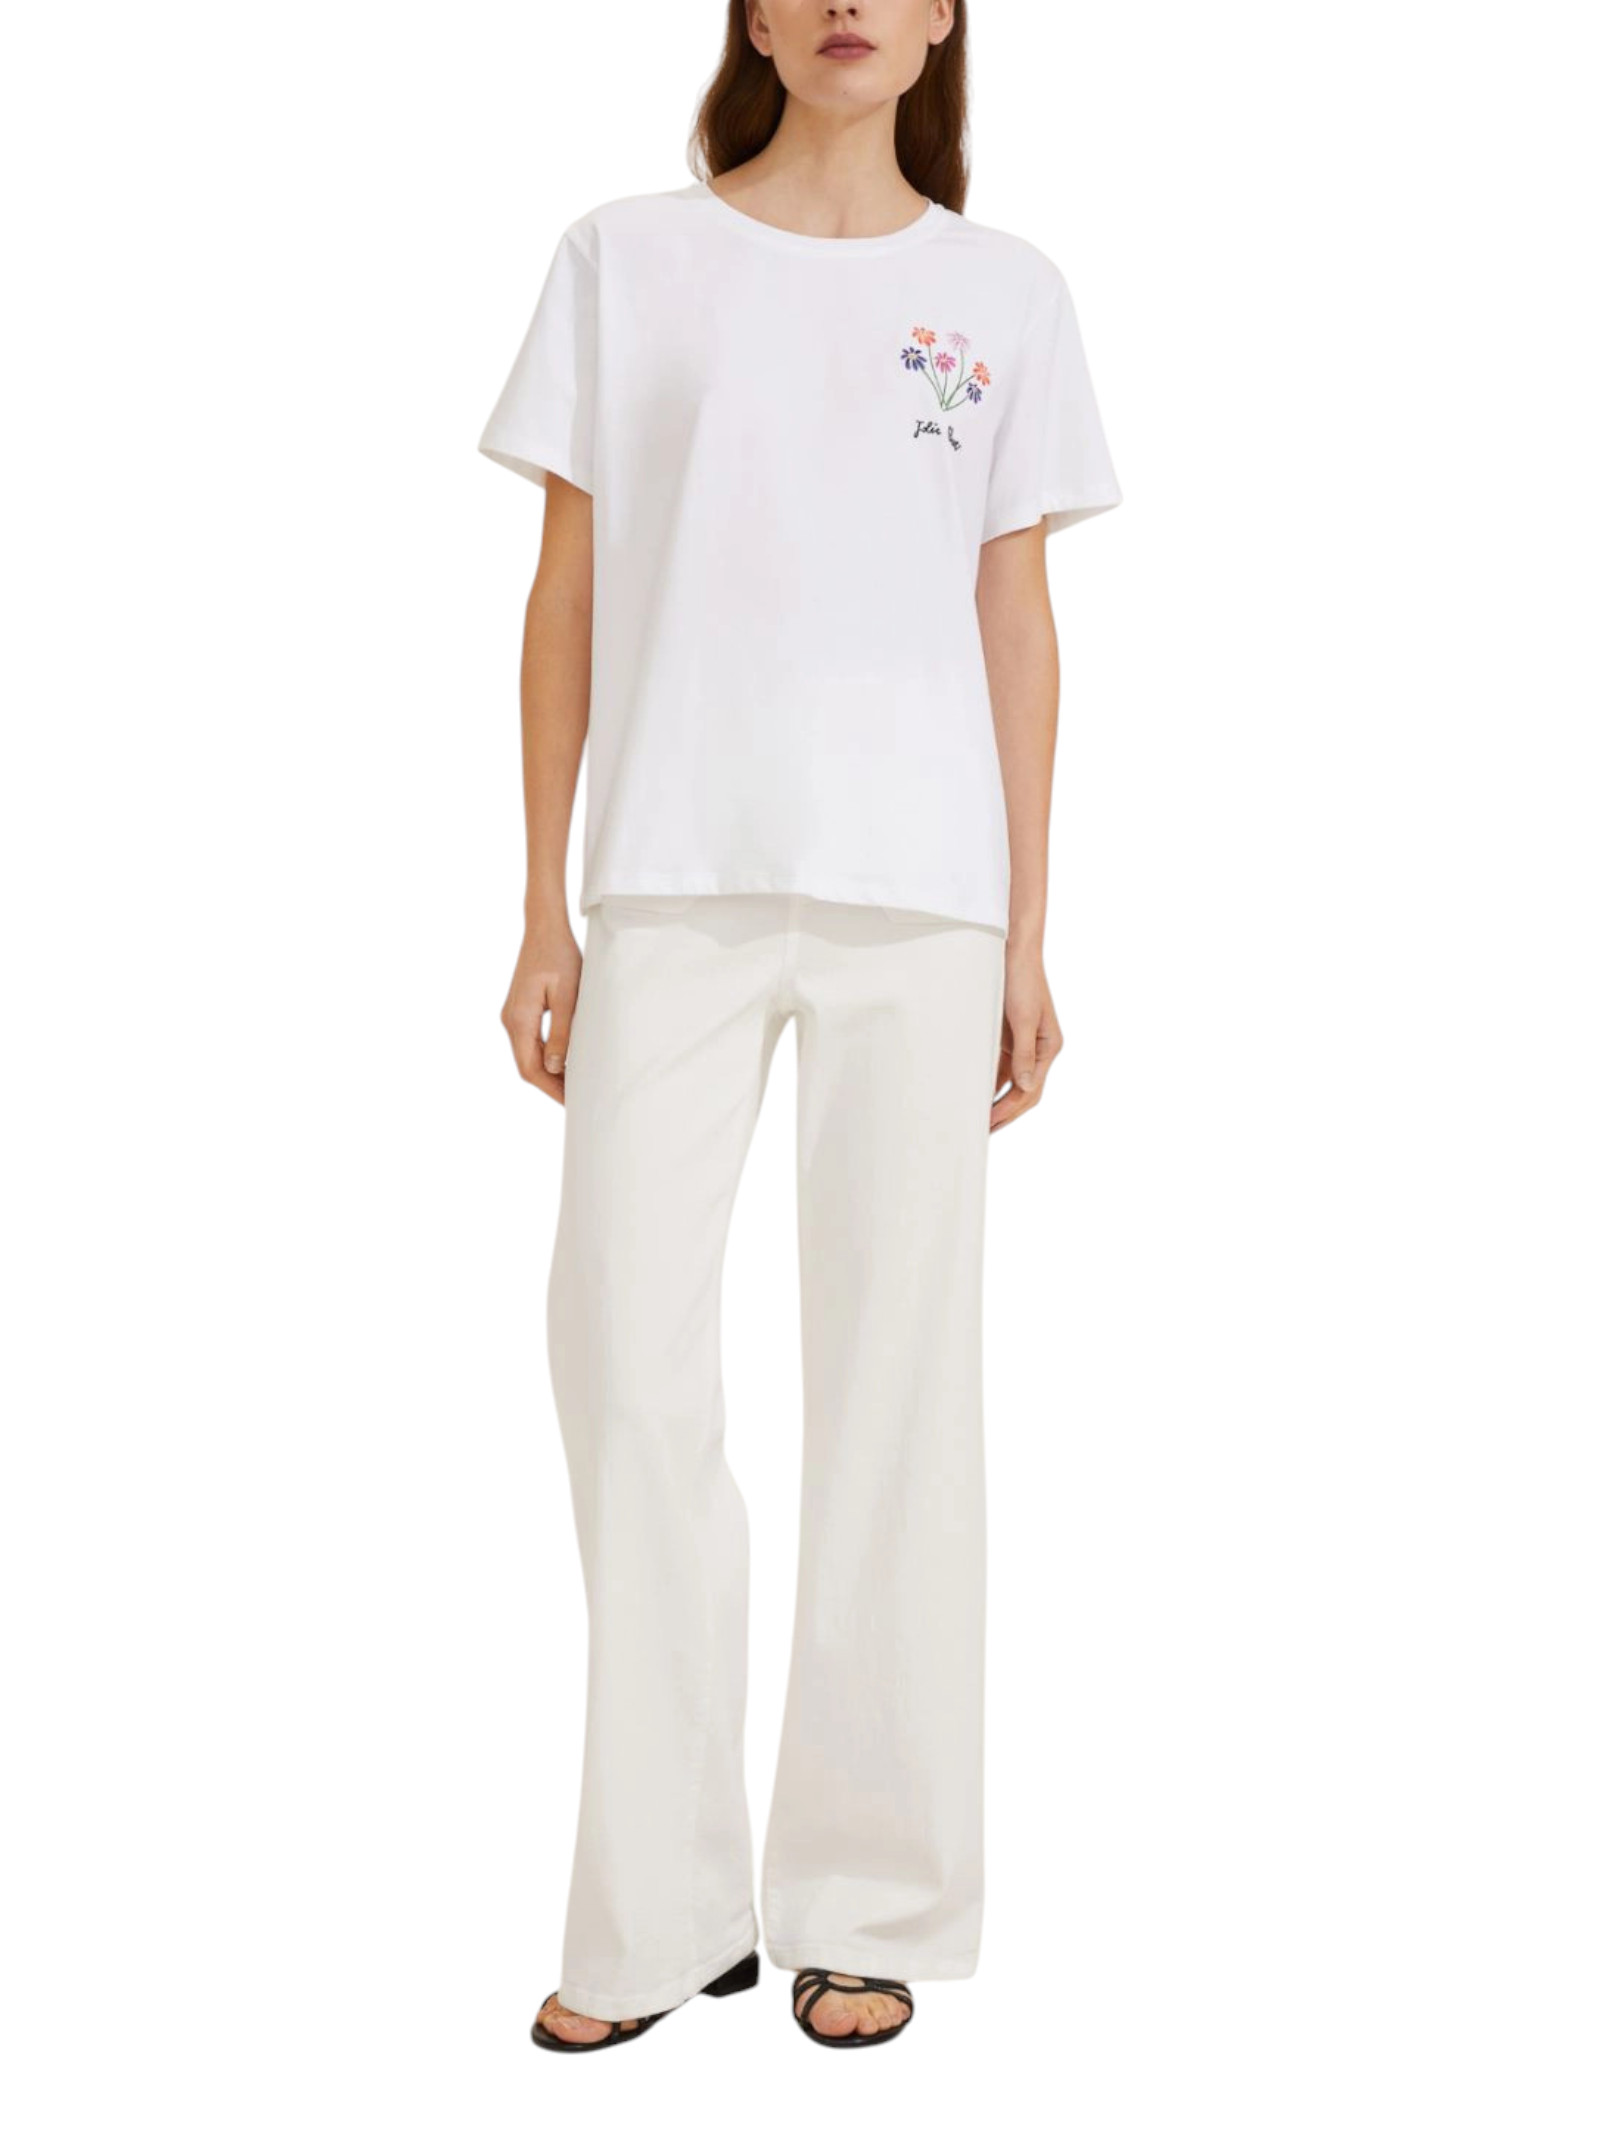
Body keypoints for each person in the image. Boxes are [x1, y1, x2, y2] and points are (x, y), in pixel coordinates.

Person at [478, 0, 1120, 2055]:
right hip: (667, 882)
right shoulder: (624, 259)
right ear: (755, 12)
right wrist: (541, 896)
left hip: (921, 897)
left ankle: (869, 1898)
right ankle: (662, 1907)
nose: (848, 0)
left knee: (899, 1392)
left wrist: (1027, 925)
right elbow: (566, 592)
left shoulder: (1004, 292)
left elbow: (1014, 612)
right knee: (622, 1358)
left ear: (941, 18)